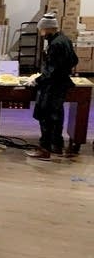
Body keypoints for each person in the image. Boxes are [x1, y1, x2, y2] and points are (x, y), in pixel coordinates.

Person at [24, 13, 78, 160]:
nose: (41, 34)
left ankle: (45, 149)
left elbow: (51, 71)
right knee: (57, 116)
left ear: (47, 29)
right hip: (61, 84)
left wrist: (37, 80)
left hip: (52, 87)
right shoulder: (65, 40)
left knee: (46, 116)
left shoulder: (55, 44)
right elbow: (74, 60)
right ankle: (57, 147)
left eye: (42, 30)